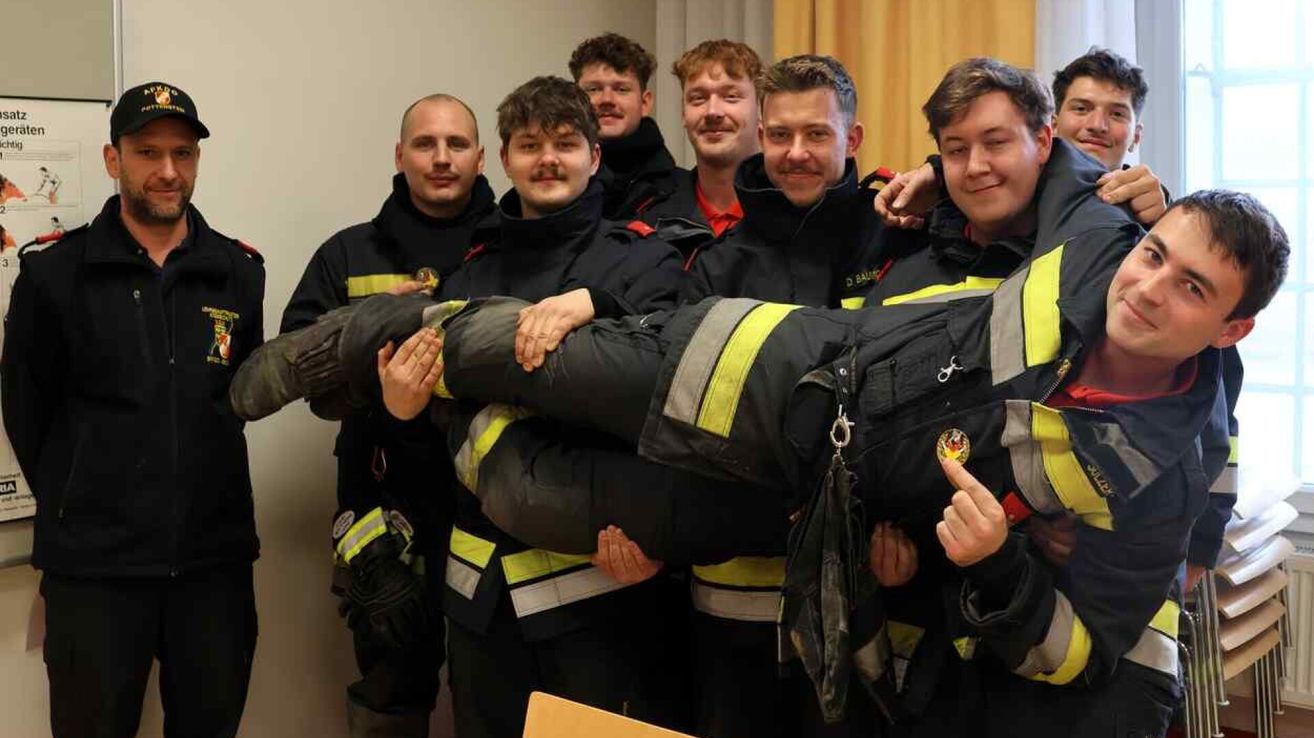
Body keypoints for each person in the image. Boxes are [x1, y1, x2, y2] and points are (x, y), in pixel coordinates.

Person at [381, 76, 687, 738]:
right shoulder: (471, 273)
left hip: (599, 597)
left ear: (596, 157)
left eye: (566, 143)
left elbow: (670, 403)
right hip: (480, 603)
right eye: (529, 144)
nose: (547, 159)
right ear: (507, 158)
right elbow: (445, 444)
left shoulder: (644, 260)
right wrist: (402, 413)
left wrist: (601, 305)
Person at [1, 81, 265, 738]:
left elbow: (234, 399)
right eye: (148, 152)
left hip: (213, 570)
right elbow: (26, 414)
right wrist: (81, 502)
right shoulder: (53, 277)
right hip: (95, 576)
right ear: (113, 159)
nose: (168, 171)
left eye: (183, 152)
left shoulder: (237, 271)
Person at [279, 93, 498, 737]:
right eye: (425, 144)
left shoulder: (512, 243)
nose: (441, 158)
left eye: (457, 144)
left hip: (489, 504)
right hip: (382, 509)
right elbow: (297, 364)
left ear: (481, 157)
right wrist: (367, 324)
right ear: (399, 155)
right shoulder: (348, 253)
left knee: (492, 692)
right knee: (389, 694)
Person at [644, 39, 763, 258]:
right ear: (683, 115)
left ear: (761, 111)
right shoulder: (652, 225)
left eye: (731, 97)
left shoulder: (790, 214)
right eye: (698, 99)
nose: (713, 112)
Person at [569, 32, 684, 222]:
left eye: (621, 89)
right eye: (594, 89)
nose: (607, 100)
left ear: (645, 103)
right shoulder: (555, 182)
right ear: (574, 100)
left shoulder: (682, 190)